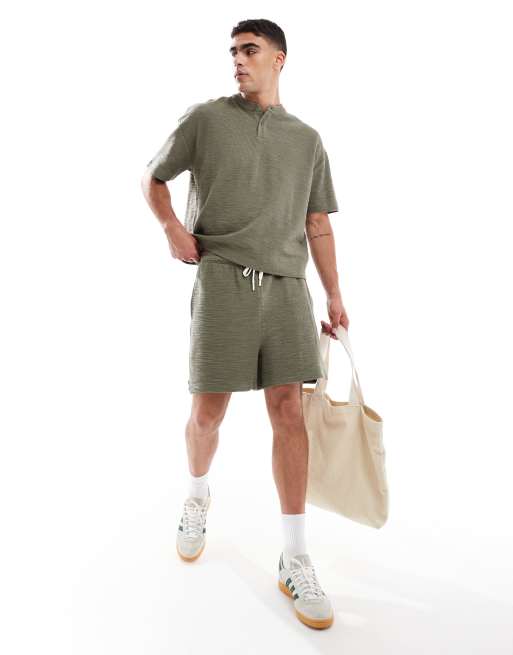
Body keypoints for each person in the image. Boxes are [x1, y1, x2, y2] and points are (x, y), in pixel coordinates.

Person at [141, 18, 349, 630]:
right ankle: (197, 497)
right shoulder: (205, 119)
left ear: (279, 59)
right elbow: (153, 177)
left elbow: (318, 224)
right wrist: (172, 227)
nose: (238, 59)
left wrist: (335, 294)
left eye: (250, 50)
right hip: (222, 279)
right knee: (208, 413)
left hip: (286, 287)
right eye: (233, 50)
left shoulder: (306, 139)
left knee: (289, 413)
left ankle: (295, 555)